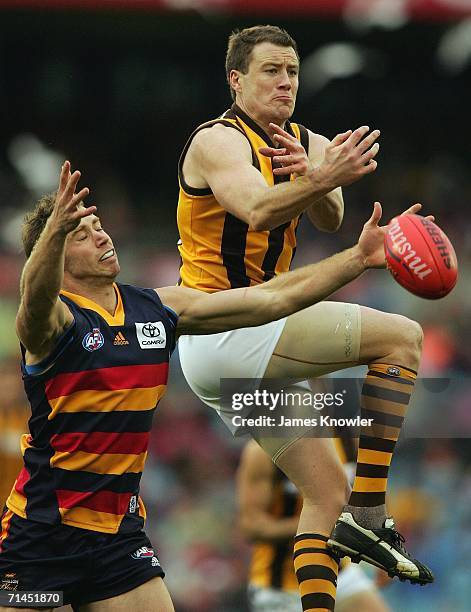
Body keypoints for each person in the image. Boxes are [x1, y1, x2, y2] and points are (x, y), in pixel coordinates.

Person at [1, 161, 409, 611]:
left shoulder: (158, 307)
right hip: (40, 538)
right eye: (82, 234)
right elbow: (32, 302)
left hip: (118, 539)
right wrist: (55, 230)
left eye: (99, 226)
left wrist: (357, 258)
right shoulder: (54, 323)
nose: (102, 236)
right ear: (55, 254)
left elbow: (269, 299)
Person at [176, 24, 434, 610]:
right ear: (237, 79)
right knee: (404, 339)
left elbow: (329, 216)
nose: (285, 82)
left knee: (324, 496)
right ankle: (372, 512)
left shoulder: (304, 140)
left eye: (292, 71)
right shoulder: (217, 141)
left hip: (236, 355)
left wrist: (317, 176)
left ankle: (336, 560)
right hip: (229, 329)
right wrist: (317, 174)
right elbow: (257, 210)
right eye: (271, 71)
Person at [237, 439, 391, 612]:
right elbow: (251, 526)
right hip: (282, 588)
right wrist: (318, 522)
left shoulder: (349, 440)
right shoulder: (263, 450)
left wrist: (384, 547)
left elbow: (371, 495)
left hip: (340, 575)